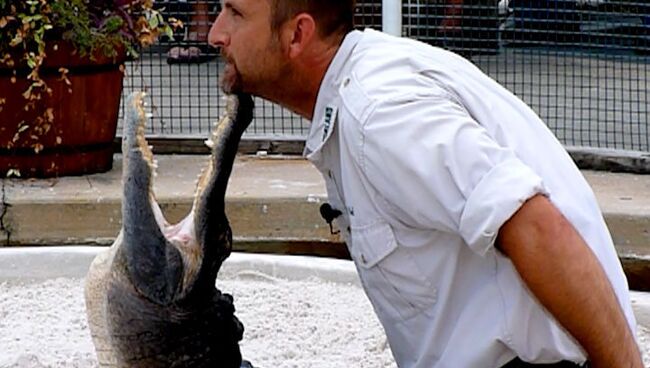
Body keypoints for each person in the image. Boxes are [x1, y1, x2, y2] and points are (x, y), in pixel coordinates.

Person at [207, 1, 644, 367]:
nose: (215, 33)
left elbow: (536, 225)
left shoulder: (381, 114)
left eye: (235, 13)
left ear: (297, 36)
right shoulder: (359, 89)